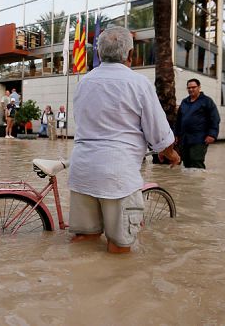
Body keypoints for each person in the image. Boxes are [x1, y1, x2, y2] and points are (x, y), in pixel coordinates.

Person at [69, 27, 180, 254]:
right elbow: (159, 131)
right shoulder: (138, 83)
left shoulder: (84, 82)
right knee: (119, 247)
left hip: (82, 171)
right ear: (130, 54)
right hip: (117, 176)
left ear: (99, 54)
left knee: (85, 239)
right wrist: (171, 153)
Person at [174, 78, 220, 169]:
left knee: (196, 161)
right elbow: (178, 120)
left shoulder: (207, 101)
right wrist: (176, 134)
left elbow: (215, 118)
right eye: (189, 88)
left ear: (199, 87)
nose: (191, 89)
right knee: (186, 162)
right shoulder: (184, 102)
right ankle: (189, 183)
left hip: (200, 138)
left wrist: (212, 134)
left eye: (193, 87)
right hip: (184, 139)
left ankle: (198, 182)